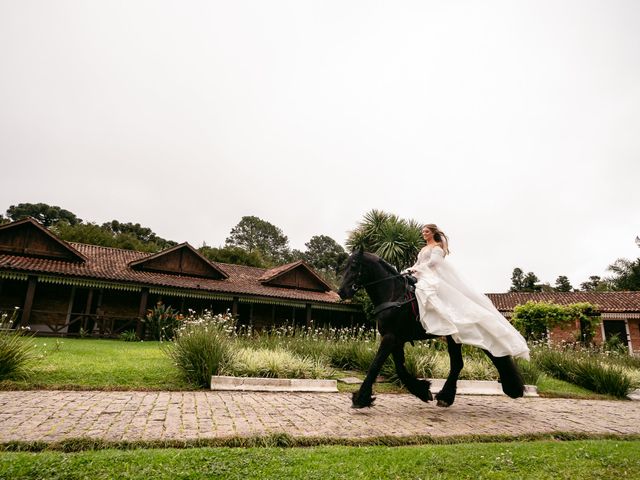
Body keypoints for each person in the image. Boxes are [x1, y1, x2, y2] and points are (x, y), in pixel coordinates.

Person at [404, 224, 530, 360]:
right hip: (420, 274)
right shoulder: (424, 248)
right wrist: (410, 269)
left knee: (425, 292)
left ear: (433, 233)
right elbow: (418, 262)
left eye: (427, 231)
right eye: (423, 231)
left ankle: (436, 319)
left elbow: (434, 263)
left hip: (431, 276)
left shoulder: (437, 248)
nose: (424, 233)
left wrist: (419, 269)